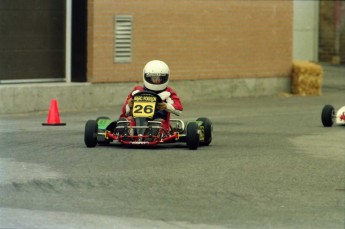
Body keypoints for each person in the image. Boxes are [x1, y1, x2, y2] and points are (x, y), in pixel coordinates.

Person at [119, 60, 183, 131]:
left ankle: (151, 134)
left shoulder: (168, 92)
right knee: (128, 121)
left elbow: (179, 109)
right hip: (137, 122)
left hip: (158, 120)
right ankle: (127, 133)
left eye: (160, 78)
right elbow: (124, 111)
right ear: (148, 77)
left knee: (157, 123)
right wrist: (129, 105)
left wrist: (166, 106)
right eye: (154, 78)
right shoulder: (137, 91)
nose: (157, 81)